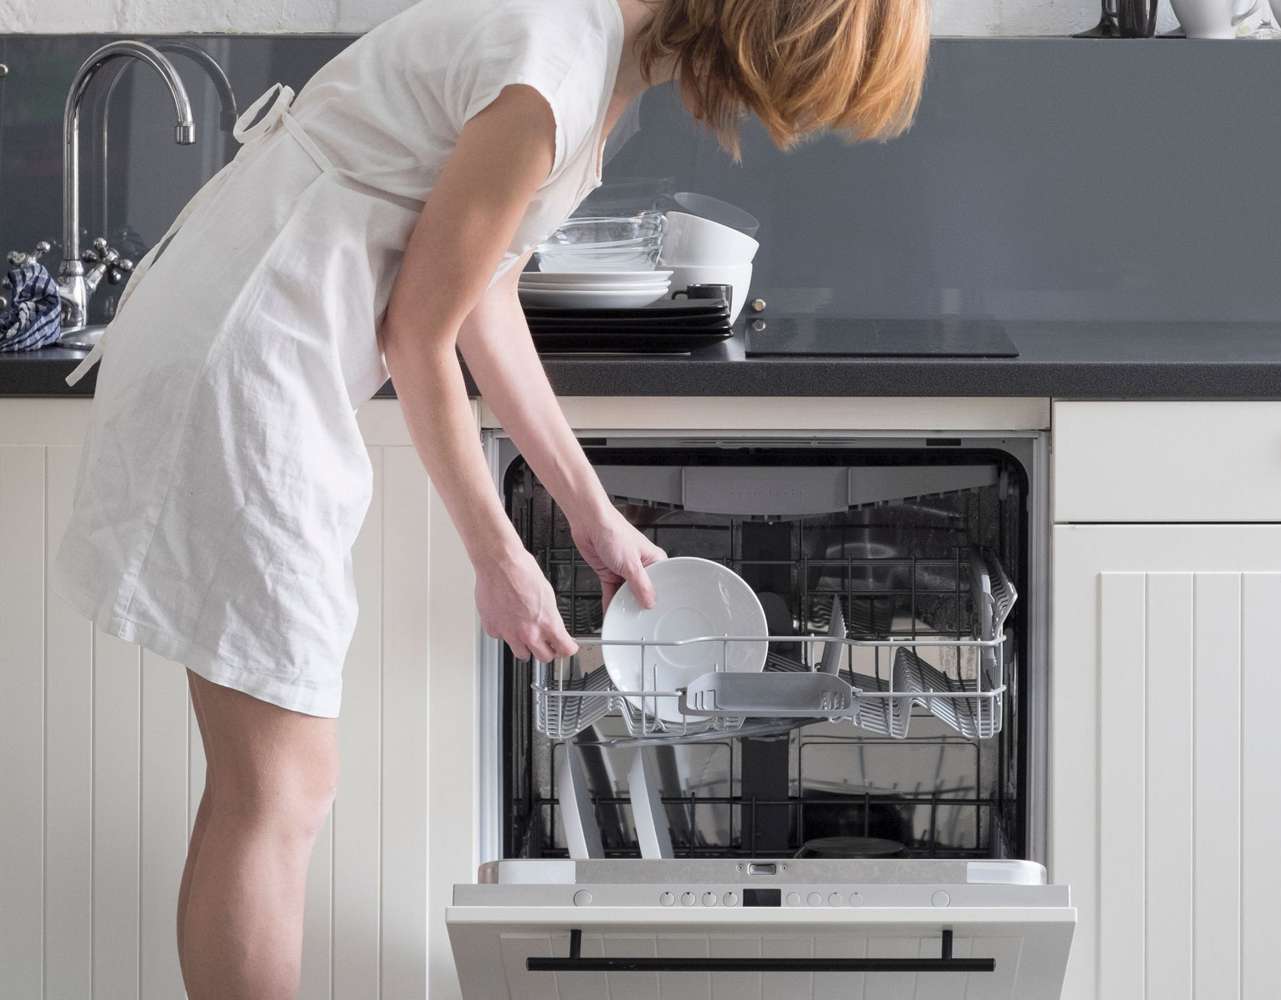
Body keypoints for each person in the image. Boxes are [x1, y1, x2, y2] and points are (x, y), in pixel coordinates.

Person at [54, 0, 930, 995]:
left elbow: (486, 293)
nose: (775, 118)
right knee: (277, 787)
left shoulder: (591, 61)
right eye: (792, 94)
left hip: (262, 347)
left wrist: (593, 515)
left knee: (271, 784)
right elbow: (420, 329)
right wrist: (499, 554)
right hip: (244, 363)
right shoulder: (553, 74)